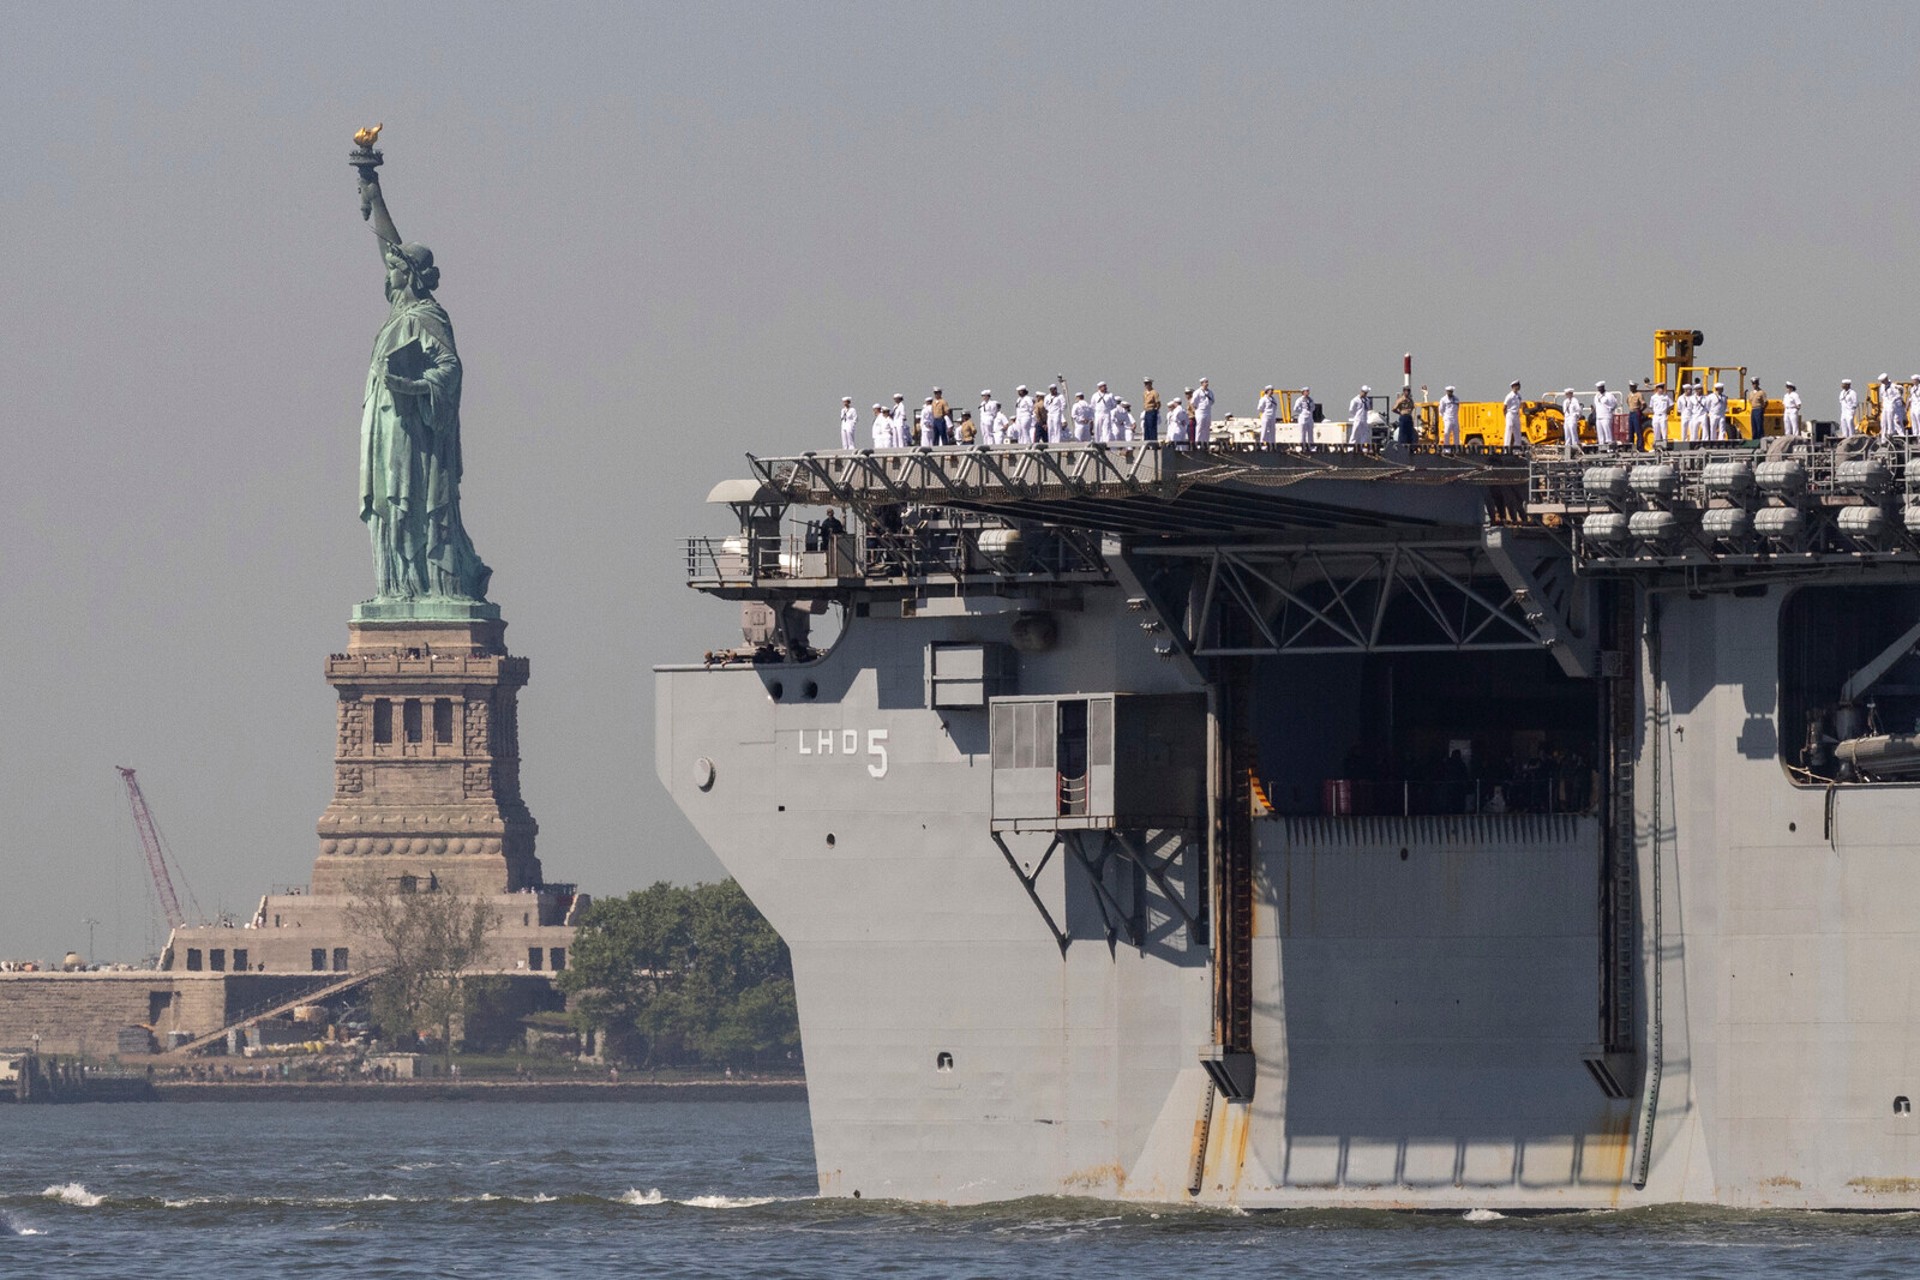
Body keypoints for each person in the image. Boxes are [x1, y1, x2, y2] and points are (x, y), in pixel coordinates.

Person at [1593, 381, 1619, 449]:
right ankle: (1601, 448)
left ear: (1603, 387)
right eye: (1598, 388)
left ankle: (1610, 448)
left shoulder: (1609, 395)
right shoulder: (1596, 396)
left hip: (1606, 416)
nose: (1599, 389)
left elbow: (1614, 404)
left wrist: (1610, 409)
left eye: (1600, 388)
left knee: (1607, 433)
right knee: (1600, 434)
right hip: (1599, 416)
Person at [1647, 382, 1673, 448]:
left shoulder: (1666, 397)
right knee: (1656, 431)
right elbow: (1651, 406)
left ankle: (1665, 445)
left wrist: (1667, 411)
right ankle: (1657, 446)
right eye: (1660, 388)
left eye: (1662, 388)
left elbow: (1671, 405)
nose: (1661, 390)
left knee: (1664, 431)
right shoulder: (1653, 397)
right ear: (1657, 389)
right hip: (1656, 415)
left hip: (1663, 415)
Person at [1193, 378, 1216, 444]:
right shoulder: (1198, 392)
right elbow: (1193, 402)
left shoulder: (1210, 392)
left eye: (1207, 382)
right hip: (1200, 411)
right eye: (1205, 382)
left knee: (1206, 428)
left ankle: (1206, 442)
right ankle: (1197, 442)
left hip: (1208, 411)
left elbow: (1212, 401)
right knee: (1200, 427)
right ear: (1202, 383)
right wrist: (1198, 407)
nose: (1207, 383)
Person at [1502, 381, 1524, 448]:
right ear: (1513, 387)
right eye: (1517, 385)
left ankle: (1517, 447)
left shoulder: (1519, 396)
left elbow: (1520, 405)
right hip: (1510, 414)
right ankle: (1506, 447)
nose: (1519, 387)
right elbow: (1504, 407)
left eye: (1519, 385)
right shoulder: (1509, 396)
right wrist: (1505, 416)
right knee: (1509, 429)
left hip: (1516, 414)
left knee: (1517, 431)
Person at [1561, 388, 1582, 455]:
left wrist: (1576, 416)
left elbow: (1578, 410)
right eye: (1566, 394)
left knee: (1572, 429)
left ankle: (1575, 444)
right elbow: (1564, 411)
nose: (1567, 395)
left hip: (1572, 417)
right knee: (1566, 431)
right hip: (1567, 417)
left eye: (1568, 394)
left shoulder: (1574, 401)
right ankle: (1567, 445)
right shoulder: (1565, 401)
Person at [1626, 381, 1646, 446]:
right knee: (1630, 430)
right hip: (1631, 413)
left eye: (1632, 387)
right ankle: (1630, 445)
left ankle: (1640, 446)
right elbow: (1628, 403)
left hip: (1636, 412)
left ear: (1635, 387)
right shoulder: (1629, 395)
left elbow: (1644, 404)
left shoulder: (1639, 394)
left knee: (1638, 430)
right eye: (1630, 387)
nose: (1631, 388)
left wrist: (1639, 411)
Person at [1142, 379, 1162, 443]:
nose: (1146, 385)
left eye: (1147, 384)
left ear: (1150, 384)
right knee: (1146, 427)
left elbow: (1158, 403)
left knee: (1152, 427)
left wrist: (1155, 410)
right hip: (1146, 411)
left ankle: (1153, 443)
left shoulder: (1154, 393)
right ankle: (1146, 442)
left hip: (1152, 411)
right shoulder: (1145, 393)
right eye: (1145, 384)